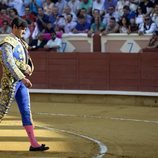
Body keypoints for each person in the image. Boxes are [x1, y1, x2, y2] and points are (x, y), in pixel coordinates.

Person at [0, 17, 49, 151]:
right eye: (21, 28)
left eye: (25, 29)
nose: (23, 31)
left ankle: (33, 143)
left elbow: (27, 60)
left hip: (20, 83)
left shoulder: (21, 42)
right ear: (14, 27)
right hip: (10, 82)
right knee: (1, 111)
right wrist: (22, 77)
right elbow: (7, 62)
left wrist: (29, 68)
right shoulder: (6, 42)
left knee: (26, 111)